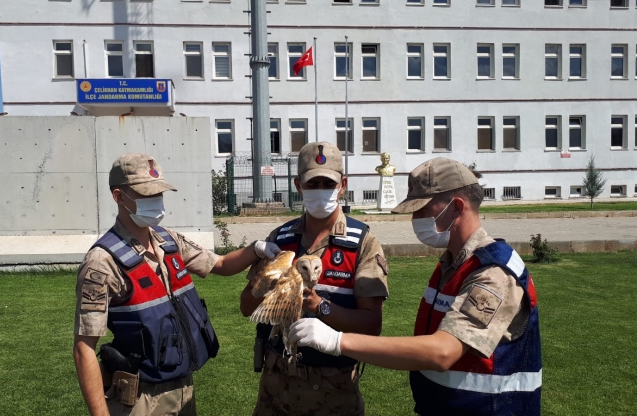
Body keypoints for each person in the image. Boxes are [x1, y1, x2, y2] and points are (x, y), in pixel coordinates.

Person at [289, 157, 542, 416]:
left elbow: (442, 352)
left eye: (421, 209)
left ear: (455, 208)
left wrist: (336, 340)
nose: (414, 218)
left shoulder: (493, 272)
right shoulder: (452, 265)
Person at [73, 153, 280, 416]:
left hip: (182, 386)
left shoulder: (167, 239)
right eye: (146, 194)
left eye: (158, 194)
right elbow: (83, 348)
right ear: (118, 197)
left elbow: (220, 265)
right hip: (140, 397)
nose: (156, 202)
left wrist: (258, 249)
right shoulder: (101, 262)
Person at [240, 142, 389, 416]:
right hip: (275, 387)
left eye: (327, 183)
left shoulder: (362, 243)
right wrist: (264, 283)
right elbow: (246, 307)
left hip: (332, 390)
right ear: (298, 186)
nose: (320, 190)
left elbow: (372, 325)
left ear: (342, 185)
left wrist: (319, 305)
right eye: (312, 184)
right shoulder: (280, 239)